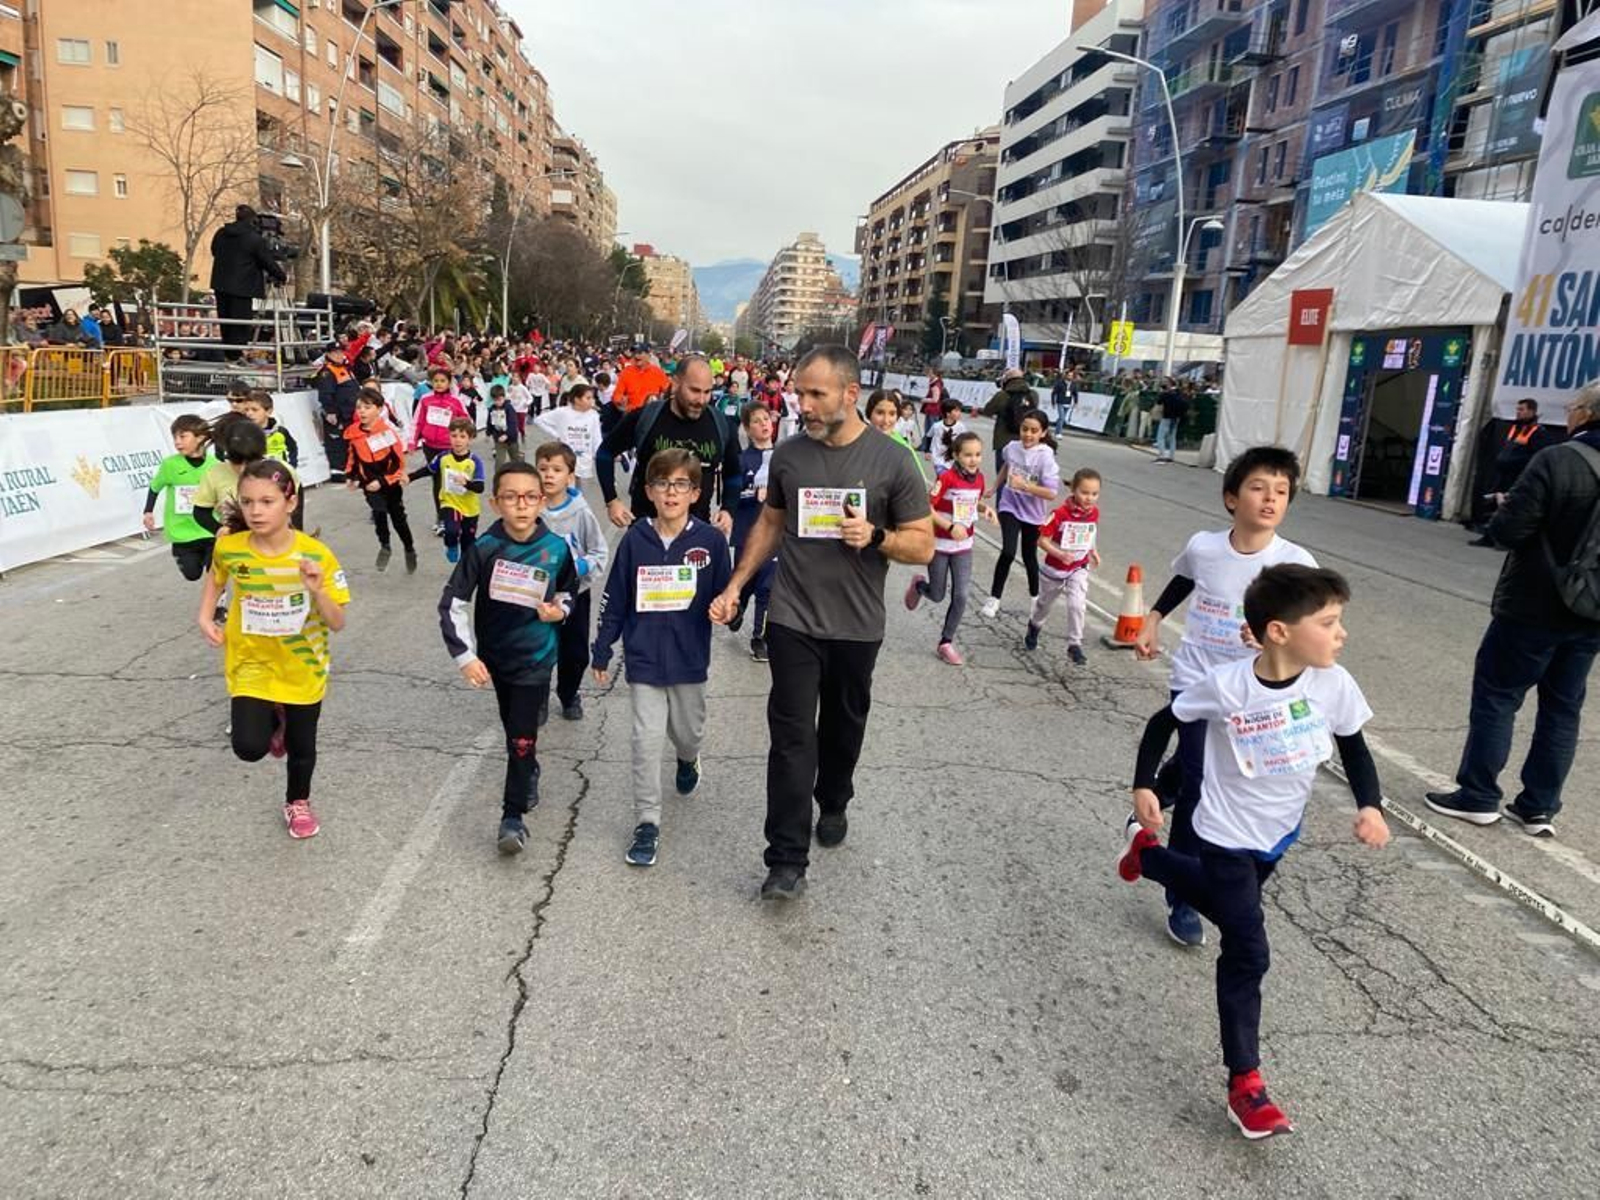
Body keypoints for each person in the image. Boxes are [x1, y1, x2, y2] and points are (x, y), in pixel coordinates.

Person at [1120, 564, 1388, 1139]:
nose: (1341, 634)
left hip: (1276, 835)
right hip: (1220, 831)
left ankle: (1148, 858)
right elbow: (1163, 721)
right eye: (1329, 623)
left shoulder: (1332, 684)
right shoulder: (1227, 685)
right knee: (1248, 947)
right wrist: (1146, 783)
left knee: (1225, 908)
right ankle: (1246, 1084)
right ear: (1278, 632)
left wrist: (1370, 806)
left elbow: (1356, 751)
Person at [710, 345, 934, 901]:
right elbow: (770, 522)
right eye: (799, 392)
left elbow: (925, 544)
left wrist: (877, 537)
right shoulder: (788, 456)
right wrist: (738, 583)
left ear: (850, 394)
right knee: (790, 737)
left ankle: (834, 798)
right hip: (793, 617)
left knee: (842, 729)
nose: (802, 404)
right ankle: (786, 859)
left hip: (857, 626)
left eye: (815, 394)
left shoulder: (893, 460)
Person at [1133, 446, 1317, 948]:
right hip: (1195, 680)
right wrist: (1152, 620)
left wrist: (1272, 639)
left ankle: (1164, 787)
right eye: (1259, 487)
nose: (1270, 499)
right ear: (1231, 497)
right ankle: (1183, 898)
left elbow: (1308, 630)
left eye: (1281, 492)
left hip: (1253, 697)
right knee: (1202, 787)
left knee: (1211, 774)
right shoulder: (1205, 546)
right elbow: (1184, 580)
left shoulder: (1296, 563)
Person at [1426, 385, 1600, 837]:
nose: (1570, 414)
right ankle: (1539, 807)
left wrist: (1508, 507)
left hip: (1533, 603)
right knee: (1563, 708)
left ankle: (1479, 795)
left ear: (1585, 414)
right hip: (1591, 611)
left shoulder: (1559, 459)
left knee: (1498, 694)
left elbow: (1506, 530)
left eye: (1574, 408)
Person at [591, 449, 731, 868]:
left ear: (695, 492)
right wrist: (602, 647)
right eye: (663, 484)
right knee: (646, 740)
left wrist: (728, 609)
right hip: (644, 660)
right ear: (649, 491)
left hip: (690, 661)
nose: (671, 492)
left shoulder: (709, 541)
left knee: (687, 732)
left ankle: (688, 758)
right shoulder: (636, 539)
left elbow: (727, 593)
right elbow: (614, 597)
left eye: (681, 484)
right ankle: (647, 822)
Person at [198, 461, 350, 840]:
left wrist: (317, 590)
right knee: (248, 747)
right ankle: (273, 721)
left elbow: (337, 621)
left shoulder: (316, 555)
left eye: (267, 501)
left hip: (303, 666)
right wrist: (205, 617)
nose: (256, 511)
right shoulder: (231, 548)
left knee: (302, 747)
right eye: (248, 502)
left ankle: (298, 801)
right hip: (251, 661)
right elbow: (215, 579)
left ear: (291, 502)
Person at [439, 461, 578, 856]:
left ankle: (512, 817)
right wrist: (465, 656)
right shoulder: (484, 548)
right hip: (496, 658)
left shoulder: (556, 548)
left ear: (542, 501)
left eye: (531, 497)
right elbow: (452, 603)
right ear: (495, 502)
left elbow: (569, 591)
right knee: (513, 729)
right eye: (512, 497)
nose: (522, 505)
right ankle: (528, 765)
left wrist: (559, 611)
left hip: (538, 658)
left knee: (520, 735)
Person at [595, 356, 741, 535]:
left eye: (707, 392)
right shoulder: (646, 418)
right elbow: (605, 453)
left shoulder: (721, 425)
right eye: (694, 390)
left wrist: (728, 509)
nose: (701, 400)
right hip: (646, 532)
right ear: (675, 383)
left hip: (696, 533)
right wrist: (612, 500)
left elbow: (733, 473)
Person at [905, 430, 996, 666]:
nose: (973, 459)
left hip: (964, 545)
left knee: (962, 595)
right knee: (937, 594)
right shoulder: (946, 478)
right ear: (956, 455)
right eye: (968, 455)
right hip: (940, 544)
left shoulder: (980, 478)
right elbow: (927, 508)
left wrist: (985, 509)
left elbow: (973, 502)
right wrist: (949, 525)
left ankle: (946, 642)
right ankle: (918, 585)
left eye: (977, 454)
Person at [535, 441, 609, 722]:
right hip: (538, 594)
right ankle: (538, 697)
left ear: (570, 476)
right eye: (543, 468)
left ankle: (568, 694)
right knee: (538, 648)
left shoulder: (580, 512)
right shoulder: (530, 508)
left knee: (575, 652)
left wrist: (576, 568)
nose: (549, 475)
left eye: (556, 469)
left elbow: (599, 551)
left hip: (574, 593)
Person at [978, 409, 1060, 619]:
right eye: (1025, 429)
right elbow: (1007, 466)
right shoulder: (1012, 447)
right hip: (1010, 506)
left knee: (1029, 556)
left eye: (1034, 431)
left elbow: (1051, 493)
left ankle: (1035, 599)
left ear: (1043, 433)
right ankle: (994, 598)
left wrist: (1025, 486)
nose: (1028, 435)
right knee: (1007, 551)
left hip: (1033, 513)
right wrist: (995, 487)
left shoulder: (1046, 458)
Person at [1025, 467, 1102, 662]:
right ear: (1073, 490)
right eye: (1084, 493)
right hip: (1054, 569)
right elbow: (1042, 541)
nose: (1089, 498)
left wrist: (1093, 551)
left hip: (1078, 567)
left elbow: (1090, 533)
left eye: (1094, 494)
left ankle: (1074, 644)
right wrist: (1059, 554)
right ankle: (1034, 626)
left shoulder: (1093, 513)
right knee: (1044, 606)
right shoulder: (1059, 514)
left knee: (1077, 605)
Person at [344, 386, 418, 573]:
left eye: (367, 407)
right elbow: (353, 457)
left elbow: (399, 463)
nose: (362, 411)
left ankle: (409, 549)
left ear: (379, 409)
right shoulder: (354, 433)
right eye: (359, 407)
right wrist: (351, 476)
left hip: (390, 484)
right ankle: (385, 545)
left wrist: (384, 481)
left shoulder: (387, 433)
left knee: (398, 519)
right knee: (378, 512)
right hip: (369, 483)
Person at [728, 402, 780, 662]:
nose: (764, 424)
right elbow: (731, 497)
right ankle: (739, 604)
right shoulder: (740, 460)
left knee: (768, 587)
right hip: (747, 532)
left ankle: (759, 638)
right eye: (757, 421)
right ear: (748, 429)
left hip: (775, 535)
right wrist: (753, 494)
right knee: (746, 582)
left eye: (767, 419)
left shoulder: (784, 457)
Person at [143, 414, 216, 582]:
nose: (177, 442)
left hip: (209, 528)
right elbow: (155, 487)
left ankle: (218, 603)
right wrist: (148, 512)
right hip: (182, 531)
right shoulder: (170, 465)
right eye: (174, 437)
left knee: (215, 571)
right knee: (192, 574)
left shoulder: (214, 465)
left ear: (200, 438)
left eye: (183, 436)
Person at [208, 205, 287, 360]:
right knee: (241, 323)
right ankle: (238, 355)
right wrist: (282, 276)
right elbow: (266, 261)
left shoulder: (221, 233)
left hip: (221, 284)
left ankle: (230, 355)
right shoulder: (253, 239)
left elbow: (214, 250)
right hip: (242, 287)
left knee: (226, 322)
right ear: (252, 220)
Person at [1470, 398, 1552, 547]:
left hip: (1517, 477)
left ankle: (1503, 540)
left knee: (1511, 509)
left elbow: (1537, 456)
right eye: (1517, 409)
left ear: (1532, 411)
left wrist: (1515, 464)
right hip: (1502, 475)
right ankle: (1489, 537)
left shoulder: (1538, 432)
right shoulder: (1515, 428)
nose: (1518, 412)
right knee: (1495, 506)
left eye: (1522, 409)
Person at [409, 418, 484, 564]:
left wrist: (467, 483)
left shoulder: (475, 461)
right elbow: (428, 470)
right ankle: (451, 545)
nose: (457, 440)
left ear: (470, 439)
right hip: (449, 502)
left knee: (468, 543)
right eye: (454, 436)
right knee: (451, 530)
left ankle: (465, 567)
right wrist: (410, 477)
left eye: (462, 437)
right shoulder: (443, 457)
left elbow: (480, 487)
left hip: (470, 507)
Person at [411, 368, 471, 533]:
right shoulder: (425, 399)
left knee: (451, 482)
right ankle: (442, 518)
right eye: (436, 381)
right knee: (437, 482)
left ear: (449, 382)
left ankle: (456, 515)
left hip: (449, 448)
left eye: (442, 381)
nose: (439, 384)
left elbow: (467, 421)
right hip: (430, 446)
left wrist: (462, 439)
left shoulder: (455, 401)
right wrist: (412, 442)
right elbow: (418, 422)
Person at [536, 382, 603, 480]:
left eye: (592, 398)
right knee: (567, 482)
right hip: (566, 455)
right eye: (588, 398)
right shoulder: (563, 412)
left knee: (578, 484)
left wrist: (600, 454)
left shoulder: (593, 415)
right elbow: (539, 420)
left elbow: (597, 437)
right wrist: (556, 434)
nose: (592, 401)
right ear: (577, 400)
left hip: (584, 456)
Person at [314, 342, 360, 484]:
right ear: (328, 354)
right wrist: (330, 412)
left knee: (349, 443)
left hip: (350, 413)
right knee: (337, 443)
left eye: (341, 352)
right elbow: (325, 394)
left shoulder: (346, 368)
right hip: (338, 414)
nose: (340, 355)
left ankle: (350, 469)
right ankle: (338, 472)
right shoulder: (327, 372)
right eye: (335, 353)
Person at [981, 367, 1035, 474]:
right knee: (1022, 474)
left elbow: (988, 411)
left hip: (1004, 440)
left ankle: (1002, 491)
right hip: (1026, 439)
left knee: (1002, 474)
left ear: (1007, 380)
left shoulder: (1002, 395)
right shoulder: (1032, 394)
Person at [239, 389, 297, 468]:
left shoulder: (281, 431)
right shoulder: (242, 433)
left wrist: (292, 466)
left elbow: (292, 448)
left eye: (254, 410)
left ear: (269, 411)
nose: (249, 413)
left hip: (278, 475)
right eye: (246, 410)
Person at [928, 396, 968, 476]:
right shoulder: (937, 426)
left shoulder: (961, 427)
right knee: (943, 477)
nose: (959, 413)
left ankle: (938, 487)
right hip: (939, 459)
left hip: (954, 460)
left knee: (948, 482)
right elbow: (929, 436)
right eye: (956, 411)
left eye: (960, 410)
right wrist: (927, 451)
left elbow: (965, 441)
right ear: (948, 413)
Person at [1153, 378, 1189, 464]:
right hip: (1176, 418)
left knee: (1160, 437)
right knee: (1172, 437)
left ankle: (1162, 455)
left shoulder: (1165, 394)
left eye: (1165, 382)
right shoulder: (1179, 393)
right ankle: (1171, 456)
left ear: (1169, 384)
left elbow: (1158, 403)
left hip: (1166, 417)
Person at [487, 384, 522, 469]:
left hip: (511, 439)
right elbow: (490, 422)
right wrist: (488, 432)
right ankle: (498, 479)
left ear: (503, 397)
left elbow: (513, 423)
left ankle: (519, 474)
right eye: (495, 400)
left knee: (515, 459)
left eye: (499, 400)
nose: (497, 402)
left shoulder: (509, 408)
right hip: (499, 439)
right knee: (499, 461)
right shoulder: (492, 409)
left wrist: (507, 435)